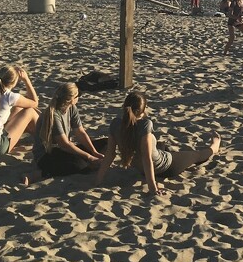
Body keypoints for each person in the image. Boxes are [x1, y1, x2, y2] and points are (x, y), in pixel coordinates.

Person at [94, 92, 222, 196]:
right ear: (143, 111)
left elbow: (110, 154)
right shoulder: (145, 125)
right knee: (196, 155)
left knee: (161, 145)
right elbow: (147, 158)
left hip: (141, 169)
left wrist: (98, 180)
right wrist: (153, 188)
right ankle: (214, 146)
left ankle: (169, 151)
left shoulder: (115, 124)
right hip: (165, 167)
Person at [32, 83, 107, 179]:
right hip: (47, 154)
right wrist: (89, 157)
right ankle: (40, 174)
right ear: (72, 99)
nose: (78, 97)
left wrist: (94, 152)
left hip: (64, 150)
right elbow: (64, 144)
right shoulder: (54, 114)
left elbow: (80, 133)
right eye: (78, 95)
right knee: (80, 166)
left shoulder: (72, 108)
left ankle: (92, 162)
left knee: (106, 143)